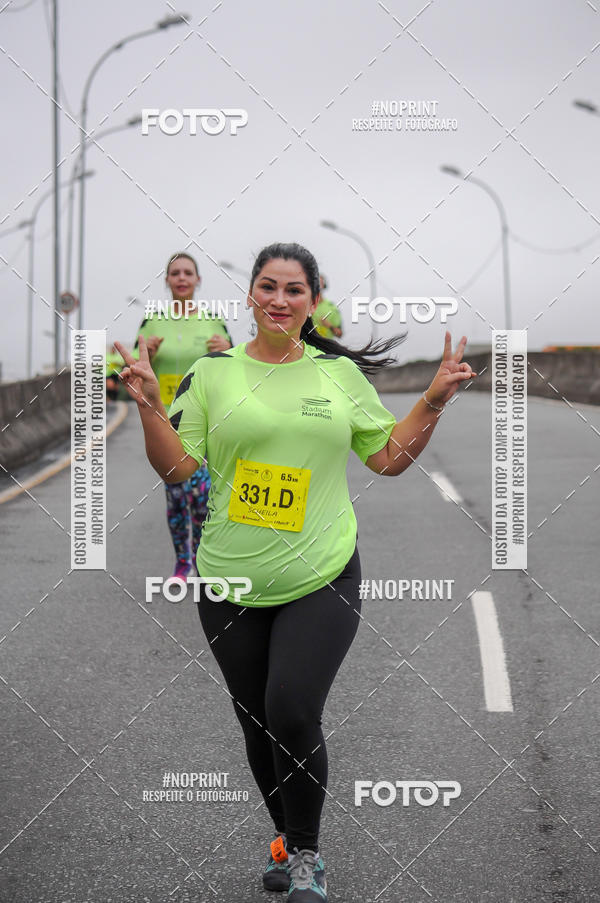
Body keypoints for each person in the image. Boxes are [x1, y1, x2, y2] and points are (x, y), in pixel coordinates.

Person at [115, 242, 475, 902]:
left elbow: (388, 457)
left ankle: (307, 854)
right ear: (250, 295)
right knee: (255, 721)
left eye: (294, 289)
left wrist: (433, 399)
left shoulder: (337, 375)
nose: (279, 298)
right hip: (228, 579)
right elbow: (178, 470)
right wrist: (144, 404)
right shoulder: (213, 372)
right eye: (267, 286)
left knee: (291, 705)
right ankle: (286, 834)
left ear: (313, 300)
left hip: (322, 572)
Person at [131, 252, 232, 582]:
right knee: (176, 492)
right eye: (175, 273)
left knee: (203, 495)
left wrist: (227, 345)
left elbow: (235, 364)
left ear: (198, 280)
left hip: (206, 415)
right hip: (168, 419)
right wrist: (149, 354)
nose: (182, 278)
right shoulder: (152, 322)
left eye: (189, 272)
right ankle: (182, 564)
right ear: (167, 281)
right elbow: (133, 365)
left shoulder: (213, 319)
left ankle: (204, 559)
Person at [312, 274, 342, 339]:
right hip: (308, 347)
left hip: (325, 347)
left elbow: (339, 334)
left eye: (319, 283)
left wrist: (330, 326)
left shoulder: (332, 307)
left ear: (324, 285)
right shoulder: (304, 306)